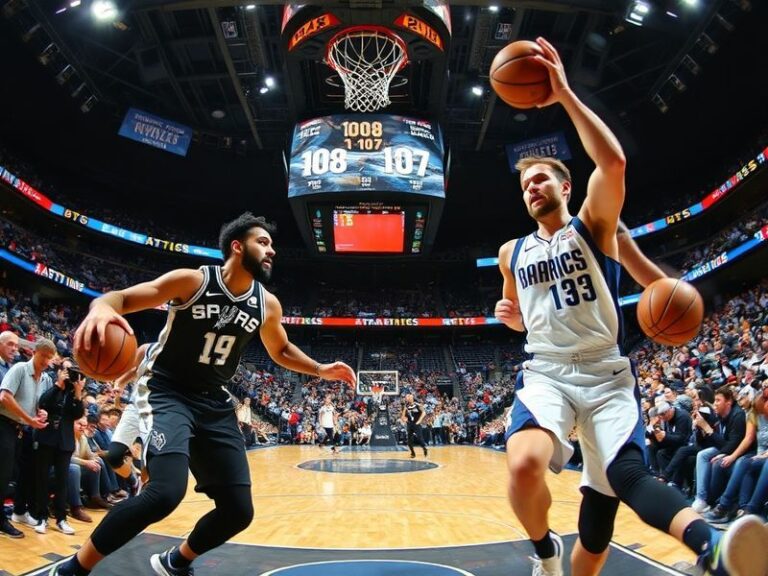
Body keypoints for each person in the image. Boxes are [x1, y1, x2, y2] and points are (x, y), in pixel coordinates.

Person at [493, 37, 767, 576]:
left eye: (541, 177)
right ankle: (545, 550)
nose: (532, 186)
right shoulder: (511, 252)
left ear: (567, 185)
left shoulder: (595, 225)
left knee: (612, 504)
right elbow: (514, 306)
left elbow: (612, 162)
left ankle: (712, 550)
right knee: (524, 464)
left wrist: (564, 94)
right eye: (525, 184)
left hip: (605, 373)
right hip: (546, 371)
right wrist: (514, 316)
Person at [52, 213, 356, 576]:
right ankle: (73, 568)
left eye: (272, 245)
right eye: (263, 242)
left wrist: (321, 369)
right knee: (164, 493)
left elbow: (282, 350)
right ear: (237, 246)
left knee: (238, 511)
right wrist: (101, 306)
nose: (271, 250)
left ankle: (176, 561)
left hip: (213, 399)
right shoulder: (192, 280)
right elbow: (122, 297)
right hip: (167, 390)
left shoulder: (267, 303)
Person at [0, 338, 53, 538]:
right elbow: (4, 396)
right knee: (3, 474)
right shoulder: (20, 368)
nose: (47, 361)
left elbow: (38, 405)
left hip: (21, 429)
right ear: (34, 352)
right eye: (44, 356)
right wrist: (29, 419)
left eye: (50, 358)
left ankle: (17, 512)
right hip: (5, 424)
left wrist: (41, 413)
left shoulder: (44, 378)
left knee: (18, 473)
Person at [33, 359, 86, 535]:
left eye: (72, 371)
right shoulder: (53, 387)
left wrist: (78, 391)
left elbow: (77, 414)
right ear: (59, 371)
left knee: (62, 482)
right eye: (66, 370)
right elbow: (43, 402)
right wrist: (58, 385)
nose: (69, 374)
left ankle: (61, 519)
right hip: (47, 439)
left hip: (65, 442)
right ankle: (41, 518)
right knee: (41, 479)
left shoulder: (73, 393)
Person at [401, 392, 428, 458]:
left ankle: (424, 448)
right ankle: (413, 453)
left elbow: (424, 413)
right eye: (407, 397)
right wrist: (404, 419)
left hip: (416, 424)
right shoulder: (406, 407)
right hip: (410, 424)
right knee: (409, 440)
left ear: (412, 398)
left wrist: (419, 421)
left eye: (409, 397)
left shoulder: (417, 405)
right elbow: (402, 416)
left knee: (419, 438)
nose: (407, 398)